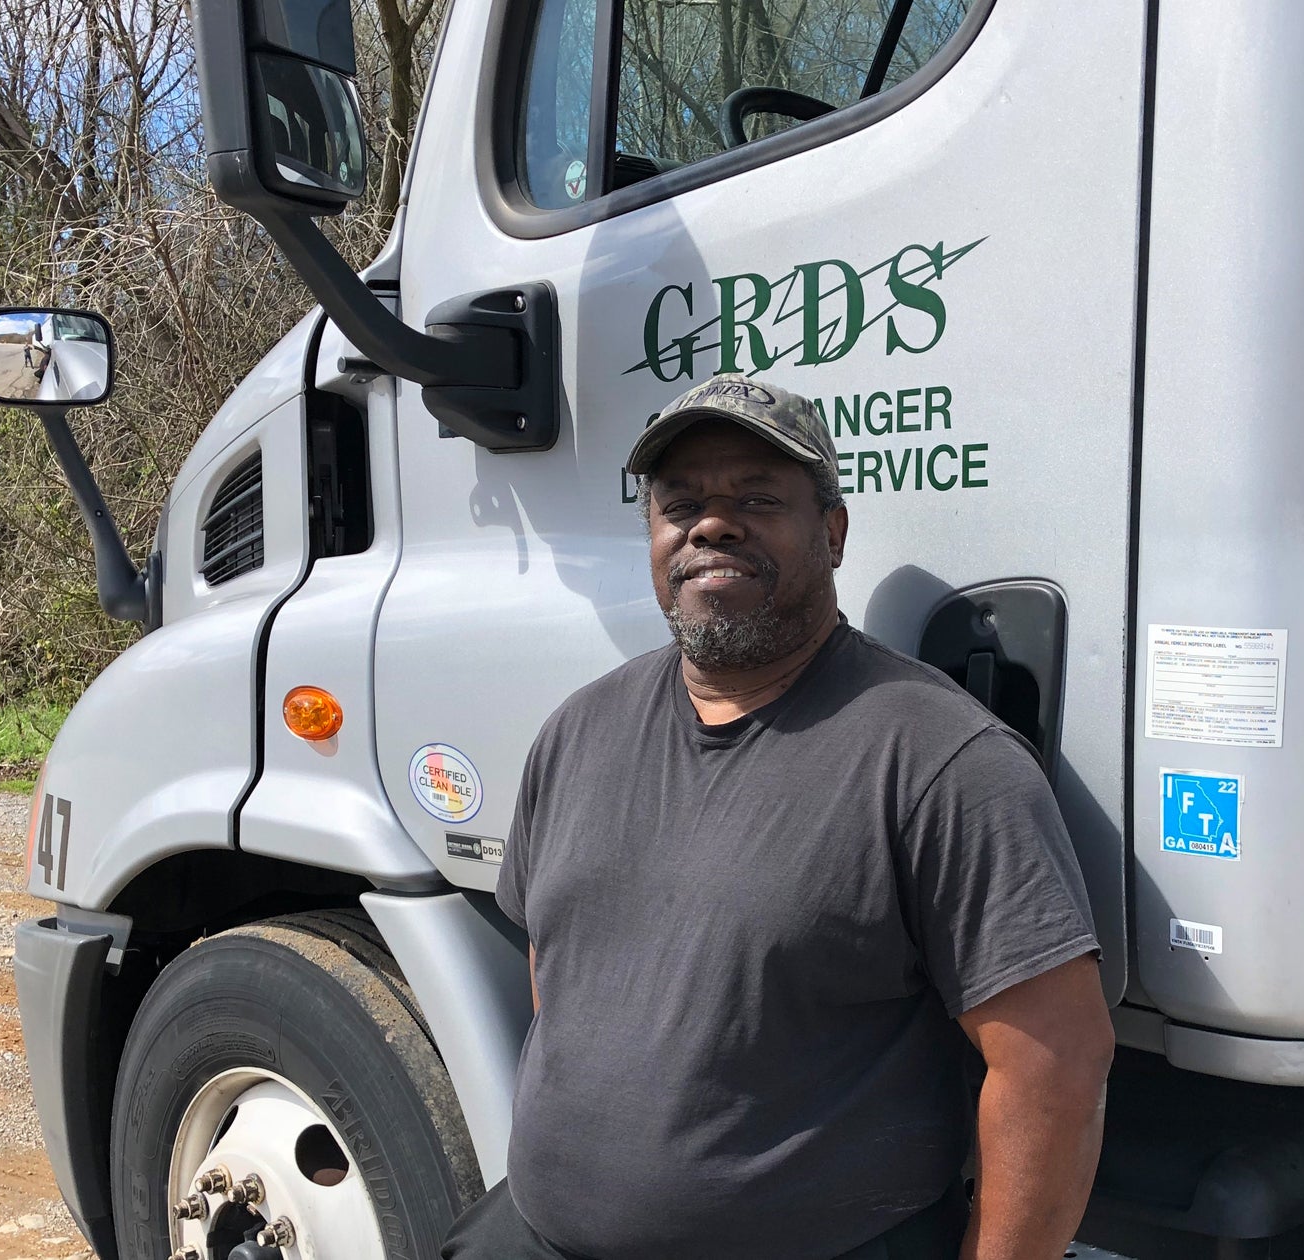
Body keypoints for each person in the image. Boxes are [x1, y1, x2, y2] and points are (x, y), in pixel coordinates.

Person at [444, 374, 1115, 1260]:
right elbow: (557, 974)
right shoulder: (579, 729)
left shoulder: (939, 760)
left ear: (832, 533)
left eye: (757, 499)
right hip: (533, 1233)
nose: (711, 525)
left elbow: (1054, 1069)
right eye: (680, 504)